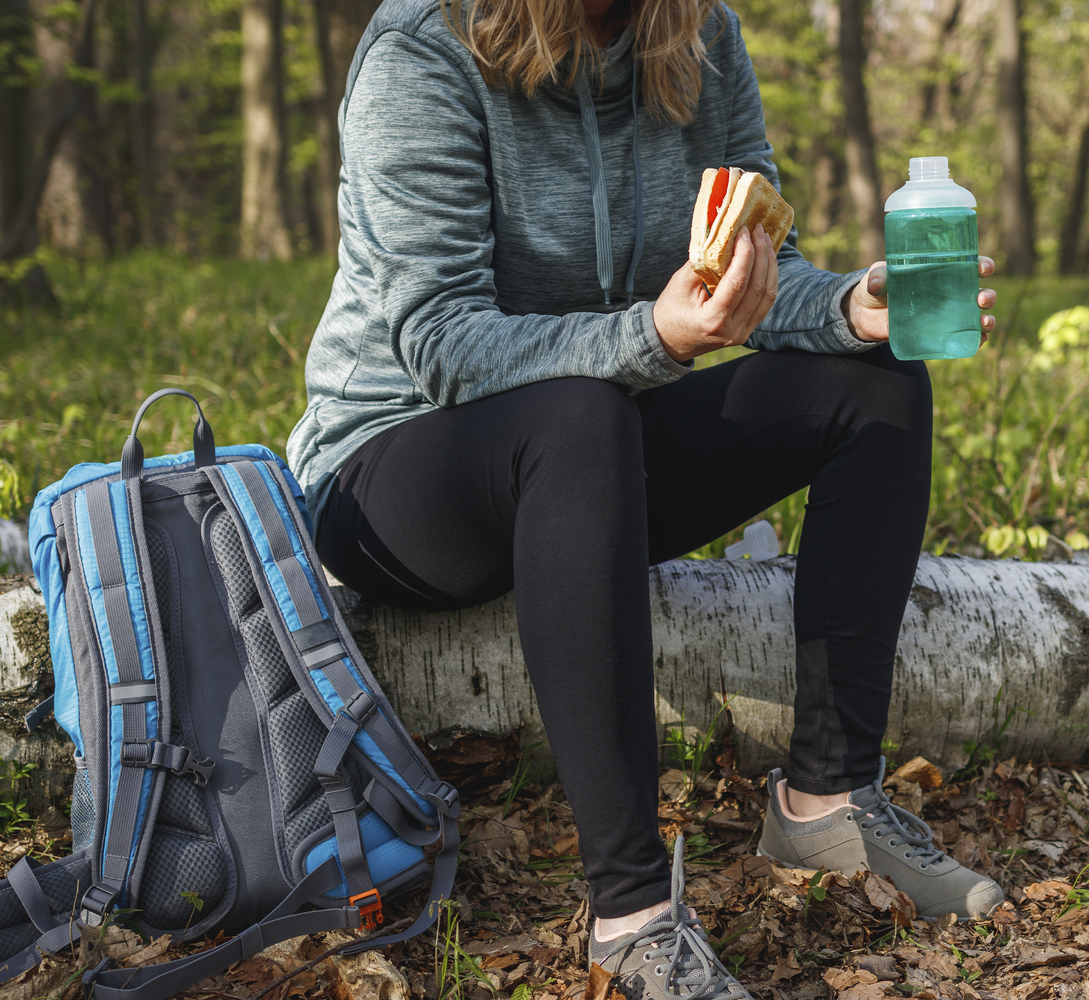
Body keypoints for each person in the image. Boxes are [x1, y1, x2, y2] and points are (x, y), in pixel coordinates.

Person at [286, 0, 1003, 996]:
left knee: (874, 382)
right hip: (399, 474)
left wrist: (846, 305)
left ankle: (826, 801)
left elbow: (756, 274)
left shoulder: (697, 34)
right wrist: (653, 340)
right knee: (580, 415)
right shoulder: (422, 48)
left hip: (597, 444)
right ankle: (632, 913)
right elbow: (442, 341)